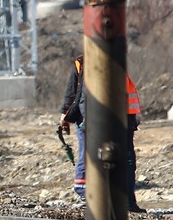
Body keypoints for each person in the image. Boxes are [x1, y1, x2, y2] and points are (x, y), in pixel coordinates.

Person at [60, 53, 143, 212]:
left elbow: (76, 93)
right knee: (124, 158)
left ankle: (92, 196)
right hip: (121, 117)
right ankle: (125, 201)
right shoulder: (115, 56)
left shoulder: (85, 62)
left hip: (100, 118)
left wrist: (67, 115)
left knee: (92, 156)